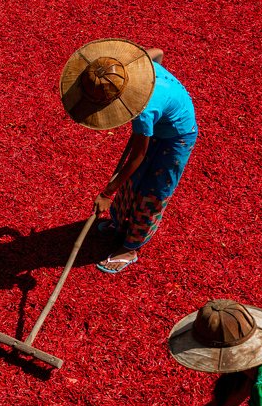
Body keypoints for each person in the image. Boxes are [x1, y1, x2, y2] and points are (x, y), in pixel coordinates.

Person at [59, 39, 198, 273]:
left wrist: (106, 193)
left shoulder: (144, 112)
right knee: (133, 181)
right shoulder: (131, 66)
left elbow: (137, 156)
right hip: (156, 125)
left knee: (153, 191)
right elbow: (159, 52)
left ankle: (130, 247)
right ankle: (119, 223)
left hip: (177, 136)